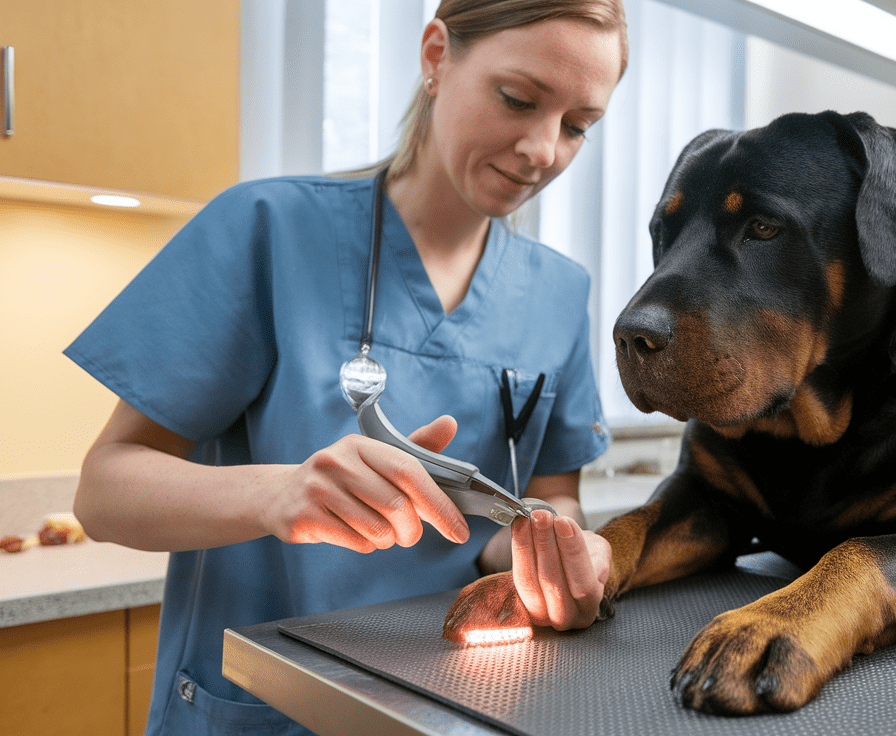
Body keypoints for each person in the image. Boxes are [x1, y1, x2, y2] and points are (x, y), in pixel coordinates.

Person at [65, 1, 628, 733]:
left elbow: (552, 495)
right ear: (435, 57)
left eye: (578, 124)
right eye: (517, 99)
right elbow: (102, 493)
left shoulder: (560, 291)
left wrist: (554, 545)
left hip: (458, 706)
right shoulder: (267, 229)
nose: (542, 149)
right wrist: (282, 494)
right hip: (263, 706)